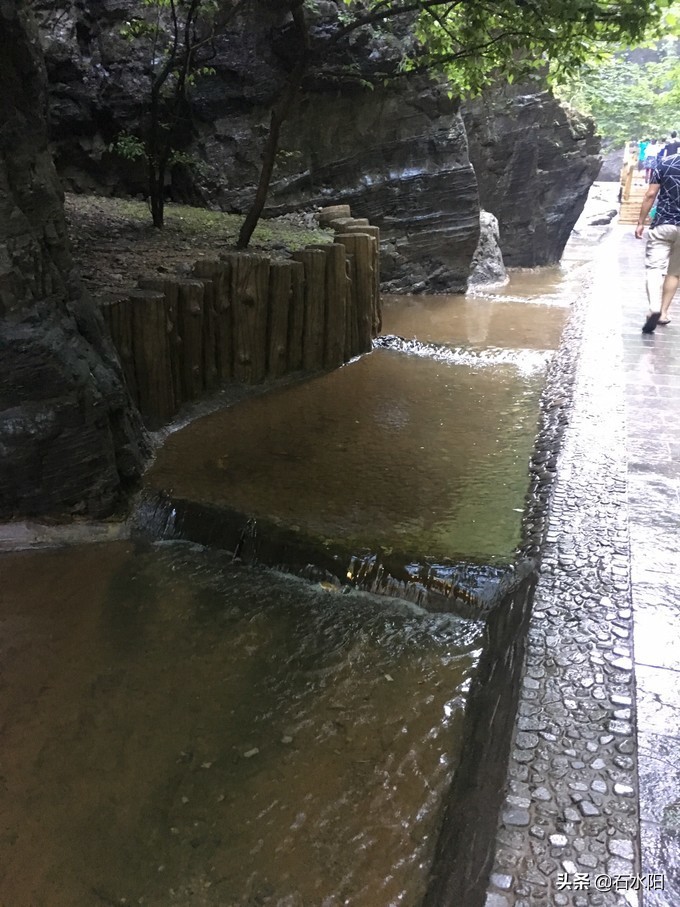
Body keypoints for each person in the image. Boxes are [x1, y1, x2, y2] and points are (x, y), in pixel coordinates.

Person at [635, 149, 680, 332]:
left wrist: (641, 222)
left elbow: (651, 194)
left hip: (663, 225)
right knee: (675, 273)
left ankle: (654, 306)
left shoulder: (664, 162)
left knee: (654, 268)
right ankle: (663, 312)